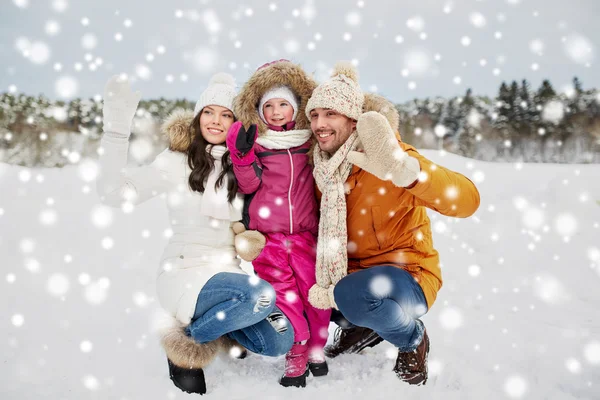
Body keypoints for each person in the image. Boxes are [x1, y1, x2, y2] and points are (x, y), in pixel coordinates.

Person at [96, 73, 294, 395]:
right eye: (209, 112)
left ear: (236, 122)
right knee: (259, 295)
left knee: (279, 340)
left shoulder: (243, 169)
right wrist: (116, 132)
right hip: (185, 269)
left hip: (229, 272)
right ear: (198, 116)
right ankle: (187, 341)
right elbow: (113, 194)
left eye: (226, 114)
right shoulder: (176, 162)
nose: (216, 121)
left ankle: (221, 324)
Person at [305, 62, 481, 385]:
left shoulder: (390, 157)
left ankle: (413, 339)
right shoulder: (323, 173)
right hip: (354, 279)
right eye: (314, 115)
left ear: (353, 119)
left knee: (351, 293)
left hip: (408, 278)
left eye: (330, 114)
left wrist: (410, 174)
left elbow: (468, 199)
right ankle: (359, 325)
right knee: (306, 284)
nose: (320, 123)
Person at [225, 60, 331, 388]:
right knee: (284, 297)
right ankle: (297, 351)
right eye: (268, 105)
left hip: (305, 234)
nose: (275, 111)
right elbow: (247, 185)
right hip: (268, 237)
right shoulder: (257, 143)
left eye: (283, 104)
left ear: (295, 108)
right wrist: (241, 157)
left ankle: (316, 348)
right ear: (259, 110)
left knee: (315, 295)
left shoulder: (308, 142)